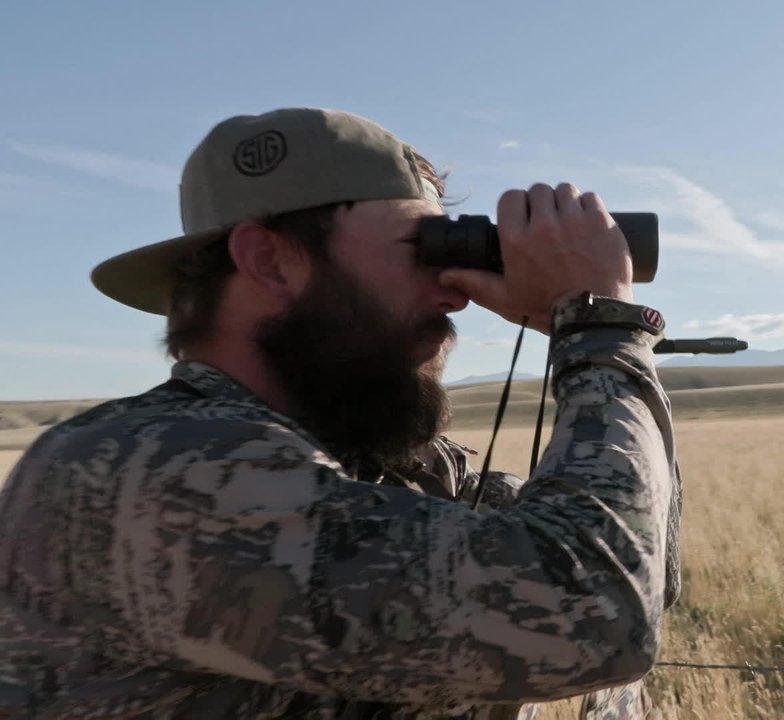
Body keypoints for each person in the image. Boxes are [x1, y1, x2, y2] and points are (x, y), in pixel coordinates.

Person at [0, 108, 681, 719]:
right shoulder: (133, 474)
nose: (456, 294)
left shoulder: (378, 469)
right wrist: (600, 329)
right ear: (271, 261)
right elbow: (598, 617)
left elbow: (645, 571)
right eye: (425, 249)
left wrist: (587, 331)